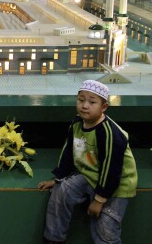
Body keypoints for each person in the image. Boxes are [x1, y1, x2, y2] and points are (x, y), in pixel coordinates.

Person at [37, 80, 137, 244]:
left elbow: (112, 170)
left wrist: (99, 200)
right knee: (60, 192)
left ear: (103, 107)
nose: (84, 105)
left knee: (106, 228)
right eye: (81, 100)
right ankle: (54, 239)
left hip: (115, 185)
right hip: (90, 174)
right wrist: (58, 179)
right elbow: (68, 152)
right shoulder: (77, 123)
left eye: (92, 102)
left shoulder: (110, 133)